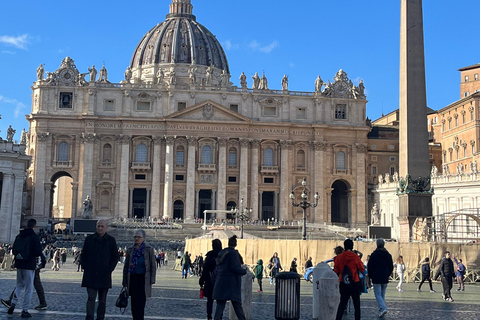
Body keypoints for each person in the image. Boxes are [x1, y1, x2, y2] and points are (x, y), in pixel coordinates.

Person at [81, 220, 118, 320]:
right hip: (91, 274)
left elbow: (115, 256)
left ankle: (100, 318)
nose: (100, 228)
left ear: (106, 228)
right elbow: (83, 255)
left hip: (104, 274)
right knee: (91, 298)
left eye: (102, 226)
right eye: (98, 226)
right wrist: (85, 267)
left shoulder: (111, 240)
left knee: (102, 300)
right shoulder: (89, 239)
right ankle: (89, 317)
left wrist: (109, 269)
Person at [8, 219, 43, 317]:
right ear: (34, 226)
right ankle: (25, 310)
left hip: (19, 264)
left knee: (19, 285)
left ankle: (13, 304)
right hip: (29, 265)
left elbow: (14, 250)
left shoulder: (19, 236)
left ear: (27, 225)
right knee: (29, 288)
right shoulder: (34, 237)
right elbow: (38, 251)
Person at [122, 229, 156, 320]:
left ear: (143, 238)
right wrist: (124, 280)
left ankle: (139, 318)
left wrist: (152, 279)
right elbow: (126, 267)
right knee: (133, 302)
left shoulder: (149, 249)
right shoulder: (130, 250)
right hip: (132, 278)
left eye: (138, 237)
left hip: (143, 279)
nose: (136, 239)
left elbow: (153, 265)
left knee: (141, 302)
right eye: (135, 237)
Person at [213, 235, 247, 320]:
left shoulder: (222, 253)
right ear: (235, 244)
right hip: (231, 283)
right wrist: (244, 271)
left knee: (220, 304)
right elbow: (235, 268)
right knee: (236, 304)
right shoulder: (234, 253)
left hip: (220, 281)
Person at [333, 238, 365, 320]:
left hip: (343, 282)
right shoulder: (355, 257)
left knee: (342, 304)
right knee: (357, 305)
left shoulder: (339, 257)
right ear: (352, 246)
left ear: (344, 246)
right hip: (354, 282)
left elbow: (336, 270)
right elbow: (362, 268)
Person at [367, 238, 393, 319]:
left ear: (377, 244)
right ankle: (381, 310)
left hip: (376, 276)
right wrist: (388, 274)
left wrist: (371, 276)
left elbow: (370, 266)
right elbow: (391, 266)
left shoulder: (374, 254)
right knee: (382, 294)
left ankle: (383, 308)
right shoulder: (388, 255)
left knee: (378, 295)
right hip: (385, 276)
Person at [199, 239, 222, 320]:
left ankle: (209, 316)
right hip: (221, 281)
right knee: (220, 301)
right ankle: (219, 316)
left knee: (210, 300)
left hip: (210, 281)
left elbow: (205, 270)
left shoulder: (209, 256)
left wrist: (201, 280)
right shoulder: (224, 255)